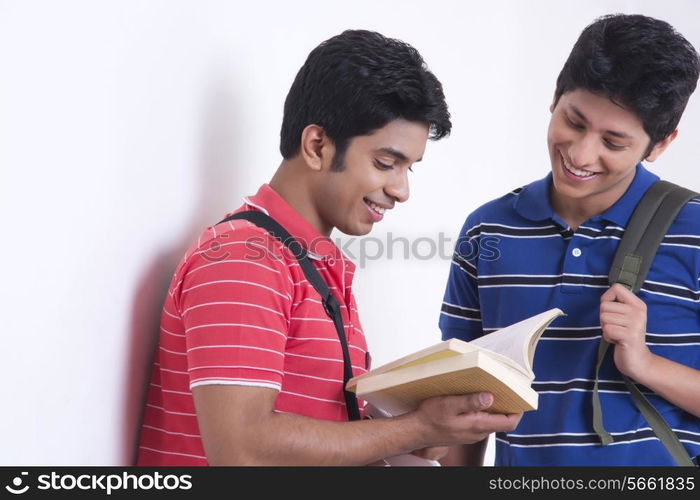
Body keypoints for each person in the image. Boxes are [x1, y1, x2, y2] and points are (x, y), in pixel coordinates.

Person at [136, 29, 521, 466]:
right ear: (317, 145)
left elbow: (312, 437)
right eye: (385, 163)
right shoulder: (241, 259)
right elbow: (242, 450)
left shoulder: (314, 267)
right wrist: (415, 428)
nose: (401, 190)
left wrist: (405, 435)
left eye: (409, 168)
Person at [439, 14, 700, 466]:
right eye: (573, 122)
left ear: (660, 144)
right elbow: (462, 403)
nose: (580, 155)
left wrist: (644, 363)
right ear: (555, 97)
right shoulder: (487, 230)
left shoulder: (694, 229)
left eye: (613, 143)